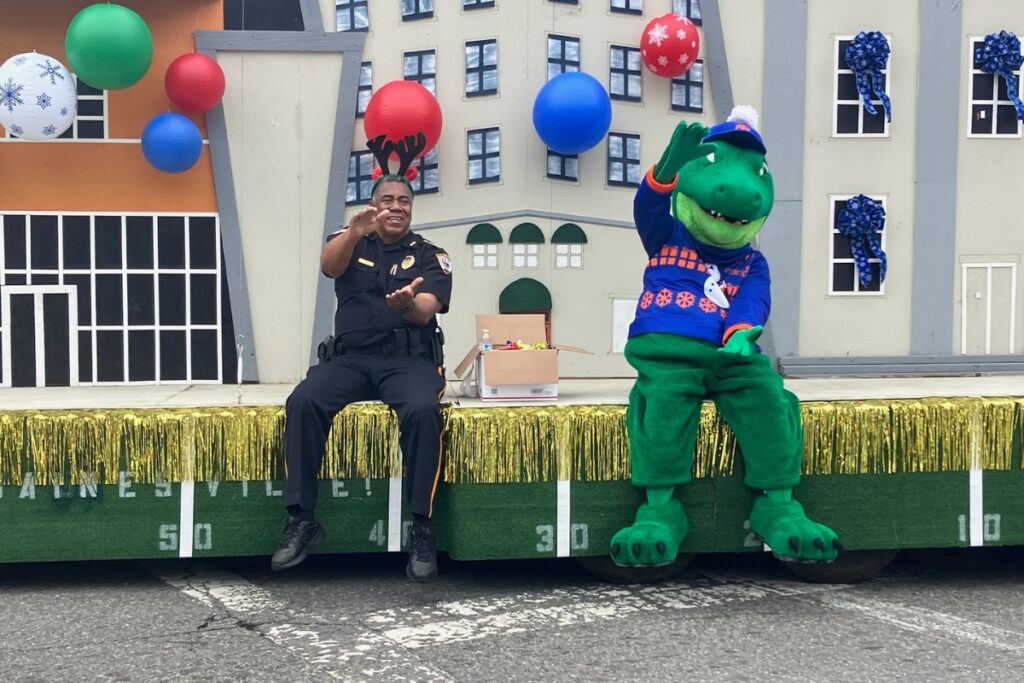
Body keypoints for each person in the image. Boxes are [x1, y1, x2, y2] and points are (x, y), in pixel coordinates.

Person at [272, 147, 452, 582]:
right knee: (303, 401)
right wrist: (352, 234)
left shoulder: (430, 254)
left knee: (423, 411)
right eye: (387, 200)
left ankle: (421, 527)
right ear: (375, 205)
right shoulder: (350, 240)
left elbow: (428, 307)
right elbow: (329, 267)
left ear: (411, 209)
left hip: (407, 362)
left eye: (404, 201)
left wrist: (408, 303)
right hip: (350, 361)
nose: (396, 207)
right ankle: (302, 520)